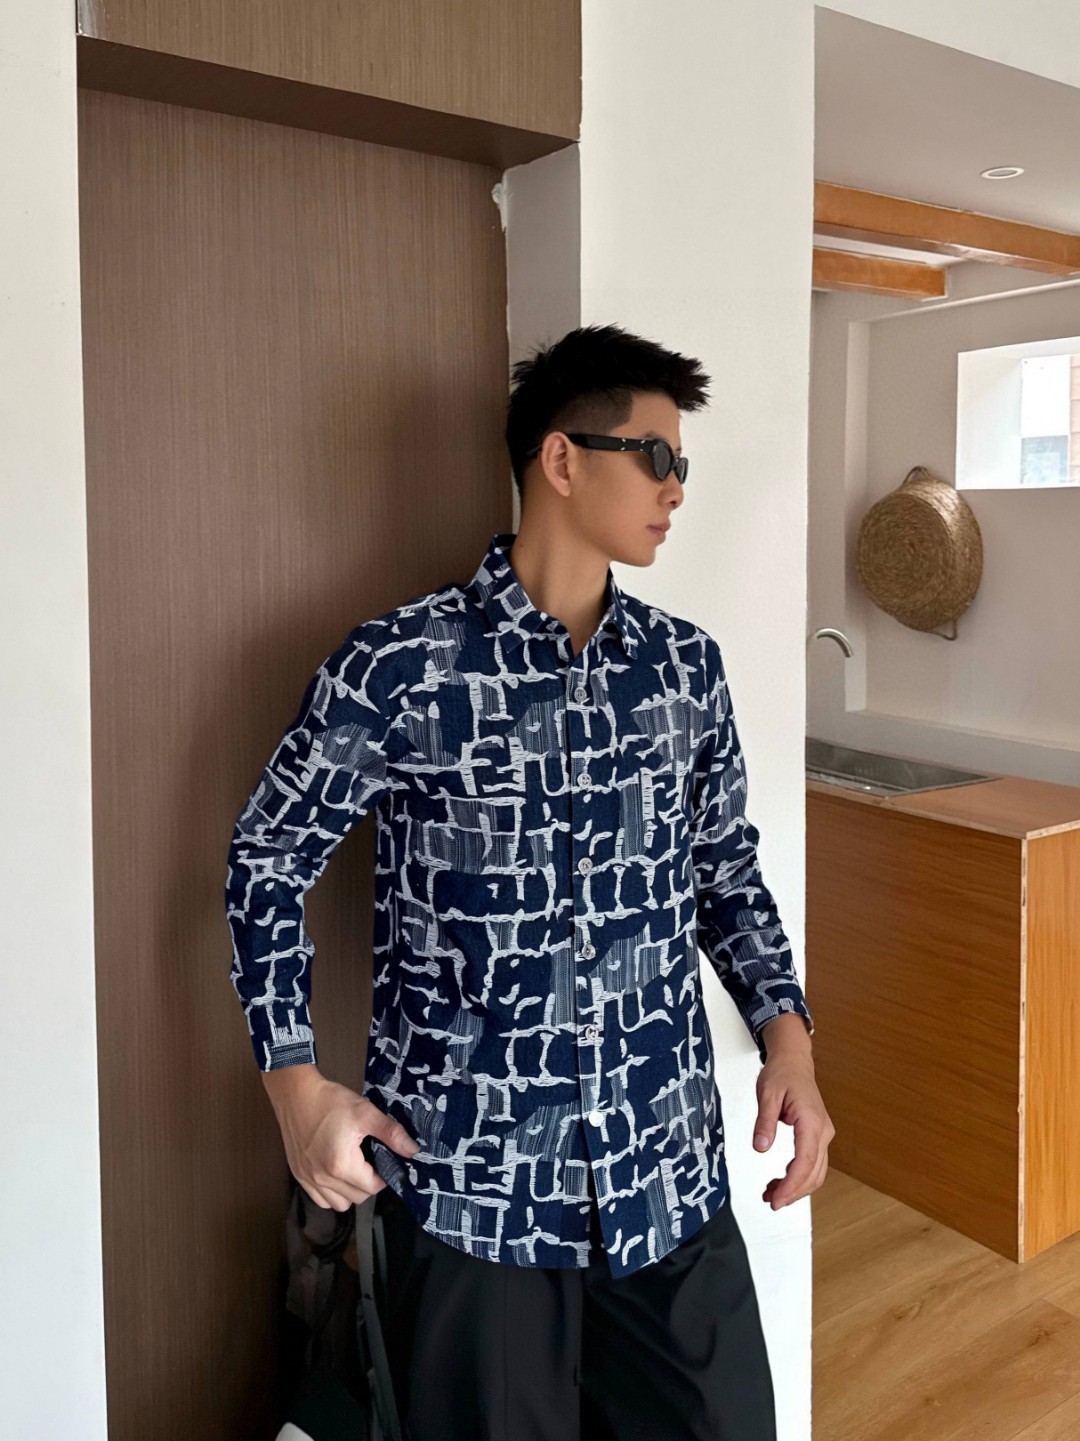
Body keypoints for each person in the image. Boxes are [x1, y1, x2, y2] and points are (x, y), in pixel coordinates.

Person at [224, 322, 835, 1440]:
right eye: (657, 456)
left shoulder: (685, 670)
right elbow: (268, 855)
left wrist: (787, 1042)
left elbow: (724, 871)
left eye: (684, 465)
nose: (677, 489)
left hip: (665, 1179)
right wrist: (294, 1086)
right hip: (474, 1197)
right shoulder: (401, 665)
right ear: (561, 458)